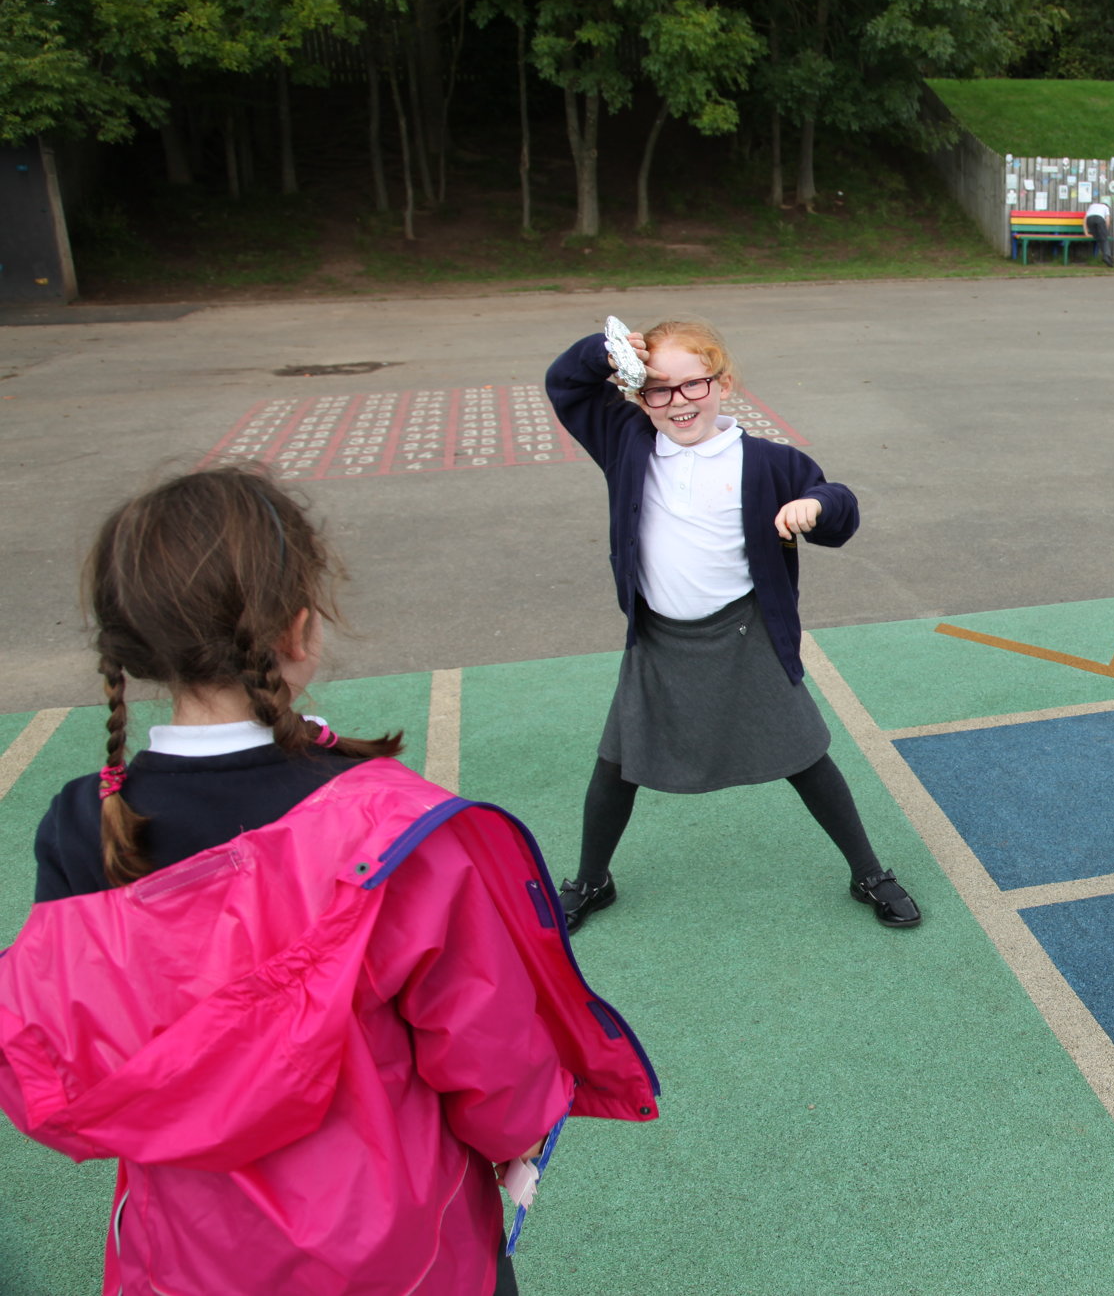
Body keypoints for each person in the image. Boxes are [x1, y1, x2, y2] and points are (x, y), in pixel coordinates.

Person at [1, 466, 658, 1295]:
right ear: (300, 629)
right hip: (399, 1245)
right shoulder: (384, 827)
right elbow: (484, 1043)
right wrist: (518, 1133)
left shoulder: (80, 825)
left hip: (188, 1252)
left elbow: (58, 1050)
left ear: (130, 647)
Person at [546, 318, 921, 933]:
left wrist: (817, 506)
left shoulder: (771, 462)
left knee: (805, 756)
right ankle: (592, 880)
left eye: (693, 385)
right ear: (638, 396)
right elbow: (565, 384)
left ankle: (867, 873)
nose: (678, 402)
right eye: (657, 390)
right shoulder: (626, 440)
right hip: (661, 639)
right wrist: (606, 351)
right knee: (616, 764)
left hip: (746, 634)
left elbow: (840, 506)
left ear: (723, 383)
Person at [1085, 197, 1114, 268]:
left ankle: (1106, 256)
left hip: (1090, 220)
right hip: (1099, 219)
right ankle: (1107, 256)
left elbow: (1085, 219)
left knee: (1099, 238)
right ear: (1108, 204)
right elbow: (1107, 221)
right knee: (1104, 238)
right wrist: (1105, 231)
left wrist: (1086, 232)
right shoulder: (1105, 207)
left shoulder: (1092, 205)